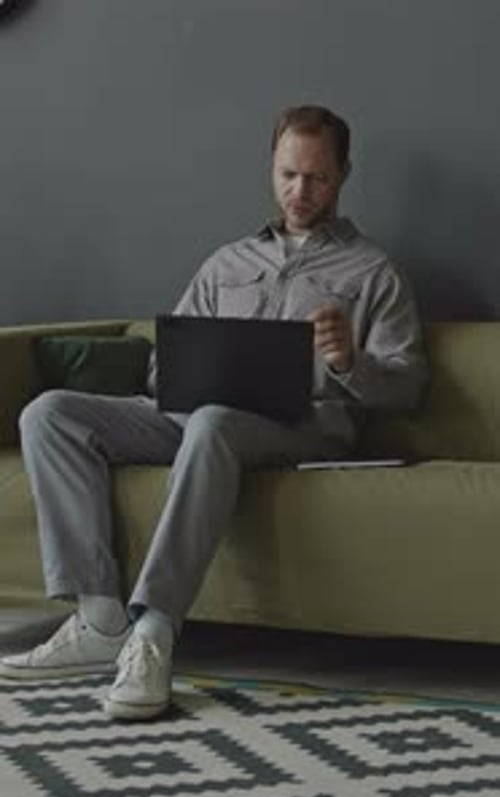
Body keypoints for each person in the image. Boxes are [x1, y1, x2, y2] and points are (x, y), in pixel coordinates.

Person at [0, 105, 427, 719]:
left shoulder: (374, 272)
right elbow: (158, 372)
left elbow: (405, 388)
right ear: (271, 168)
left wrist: (346, 362)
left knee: (212, 423)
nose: (298, 191)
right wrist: (179, 370)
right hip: (196, 416)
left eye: (316, 178)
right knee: (49, 413)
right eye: (287, 174)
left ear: (343, 175)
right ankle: (99, 618)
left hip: (301, 426)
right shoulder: (226, 264)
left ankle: (154, 632)